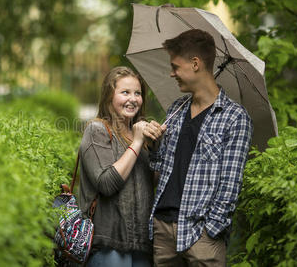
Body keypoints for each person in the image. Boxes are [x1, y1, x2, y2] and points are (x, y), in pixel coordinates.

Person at [143, 29, 253, 266]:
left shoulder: (234, 118)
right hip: (163, 230)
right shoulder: (176, 110)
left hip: (202, 237)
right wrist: (154, 147)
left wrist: (211, 229)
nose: (172, 74)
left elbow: (230, 185)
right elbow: (161, 169)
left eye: (175, 66)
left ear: (195, 64)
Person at [78, 66, 153, 266]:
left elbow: (152, 183)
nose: (133, 99)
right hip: (107, 243)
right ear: (109, 96)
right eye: (125, 92)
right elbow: (106, 184)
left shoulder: (141, 135)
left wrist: (155, 146)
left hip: (142, 242)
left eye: (137, 93)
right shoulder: (97, 131)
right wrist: (136, 143)